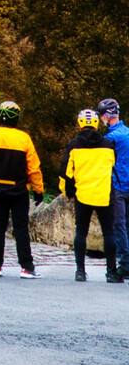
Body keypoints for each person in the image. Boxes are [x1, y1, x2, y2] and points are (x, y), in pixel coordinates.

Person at [0, 100, 44, 278]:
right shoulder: (24, 138)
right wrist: (38, 190)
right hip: (19, 190)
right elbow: (34, 168)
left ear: (0, 116)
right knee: (21, 228)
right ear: (17, 119)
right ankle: (26, 267)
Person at [60, 109, 120, 282]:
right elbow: (112, 164)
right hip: (104, 193)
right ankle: (111, 272)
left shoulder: (73, 145)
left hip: (83, 193)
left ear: (79, 124)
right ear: (95, 124)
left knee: (81, 232)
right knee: (108, 232)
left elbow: (66, 173)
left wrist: (69, 192)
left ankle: (80, 271)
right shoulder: (108, 145)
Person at [99, 99, 129, 277]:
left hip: (118, 186)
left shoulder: (110, 138)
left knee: (119, 226)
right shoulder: (127, 132)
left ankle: (125, 264)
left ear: (105, 116)